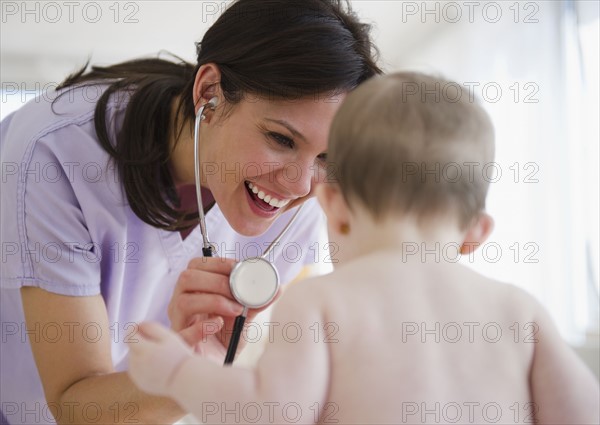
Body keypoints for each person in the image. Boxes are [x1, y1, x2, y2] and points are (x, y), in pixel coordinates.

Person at [127, 72, 600, 425]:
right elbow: (581, 413)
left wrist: (176, 372)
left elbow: (269, 411)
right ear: (475, 233)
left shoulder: (319, 302)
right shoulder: (521, 312)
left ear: (333, 203)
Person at [0, 1, 381, 424]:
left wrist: (201, 367)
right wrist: (187, 377)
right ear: (209, 93)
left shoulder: (301, 207)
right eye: (281, 139)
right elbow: (75, 401)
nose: (298, 185)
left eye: (326, 158)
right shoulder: (56, 154)